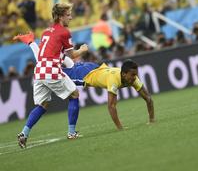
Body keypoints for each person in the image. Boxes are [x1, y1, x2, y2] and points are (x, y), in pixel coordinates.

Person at [14, 32, 155, 131]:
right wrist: (120, 128)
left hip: (95, 67)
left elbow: (148, 98)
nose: (135, 77)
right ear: (124, 74)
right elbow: (111, 106)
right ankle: (31, 42)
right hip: (85, 75)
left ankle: (35, 43)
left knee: (64, 62)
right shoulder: (114, 80)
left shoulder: (132, 78)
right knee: (49, 63)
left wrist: (152, 119)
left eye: (135, 75)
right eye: (132, 75)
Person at [14, 2, 89, 149]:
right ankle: (71, 133)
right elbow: (72, 55)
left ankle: (24, 134)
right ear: (61, 16)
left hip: (39, 71)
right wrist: (82, 50)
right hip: (51, 70)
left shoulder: (46, 31)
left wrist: (30, 42)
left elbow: (46, 53)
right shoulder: (64, 32)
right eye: (68, 15)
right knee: (74, 94)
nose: (71, 17)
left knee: (43, 105)